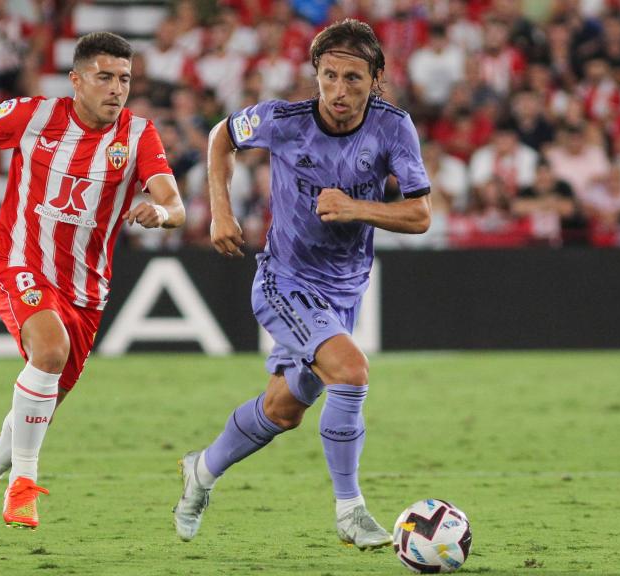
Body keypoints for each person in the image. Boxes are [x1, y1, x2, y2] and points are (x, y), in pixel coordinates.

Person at [0, 32, 185, 547]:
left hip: (86, 293)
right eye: (105, 77)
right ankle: (23, 483)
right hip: (21, 263)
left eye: (125, 79)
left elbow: (175, 204)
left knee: (35, 414)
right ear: (76, 80)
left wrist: (160, 212)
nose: (117, 89)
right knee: (49, 349)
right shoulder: (33, 115)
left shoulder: (138, 136)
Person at [173, 19, 430, 549]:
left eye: (353, 78)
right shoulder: (284, 120)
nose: (339, 90)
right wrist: (220, 210)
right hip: (283, 280)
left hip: (345, 290)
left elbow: (420, 215)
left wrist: (356, 208)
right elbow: (222, 136)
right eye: (329, 76)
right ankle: (350, 511)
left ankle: (202, 469)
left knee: (283, 410)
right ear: (315, 74)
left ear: (376, 80)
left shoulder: (393, 128)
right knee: (351, 372)